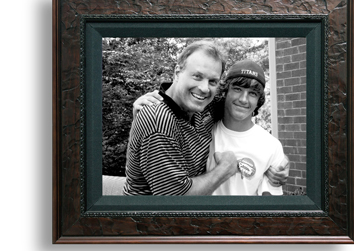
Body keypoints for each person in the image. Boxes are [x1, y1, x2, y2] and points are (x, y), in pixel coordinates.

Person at [123, 40, 238, 196]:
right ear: (177, 72)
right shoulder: (158, 120)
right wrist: (225, 168)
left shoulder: (201, 106)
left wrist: (275, 160)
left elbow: (242, 103)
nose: (204, 88)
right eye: (197, 76)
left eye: (213, 81)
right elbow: (176, 198)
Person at [206, 60, 289, 196]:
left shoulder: (271, 146)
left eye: (252, 93)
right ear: (225, 91)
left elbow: (270, 207)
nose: (244, 99)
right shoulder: (203, 133)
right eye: (238, 89)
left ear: (259, 101)